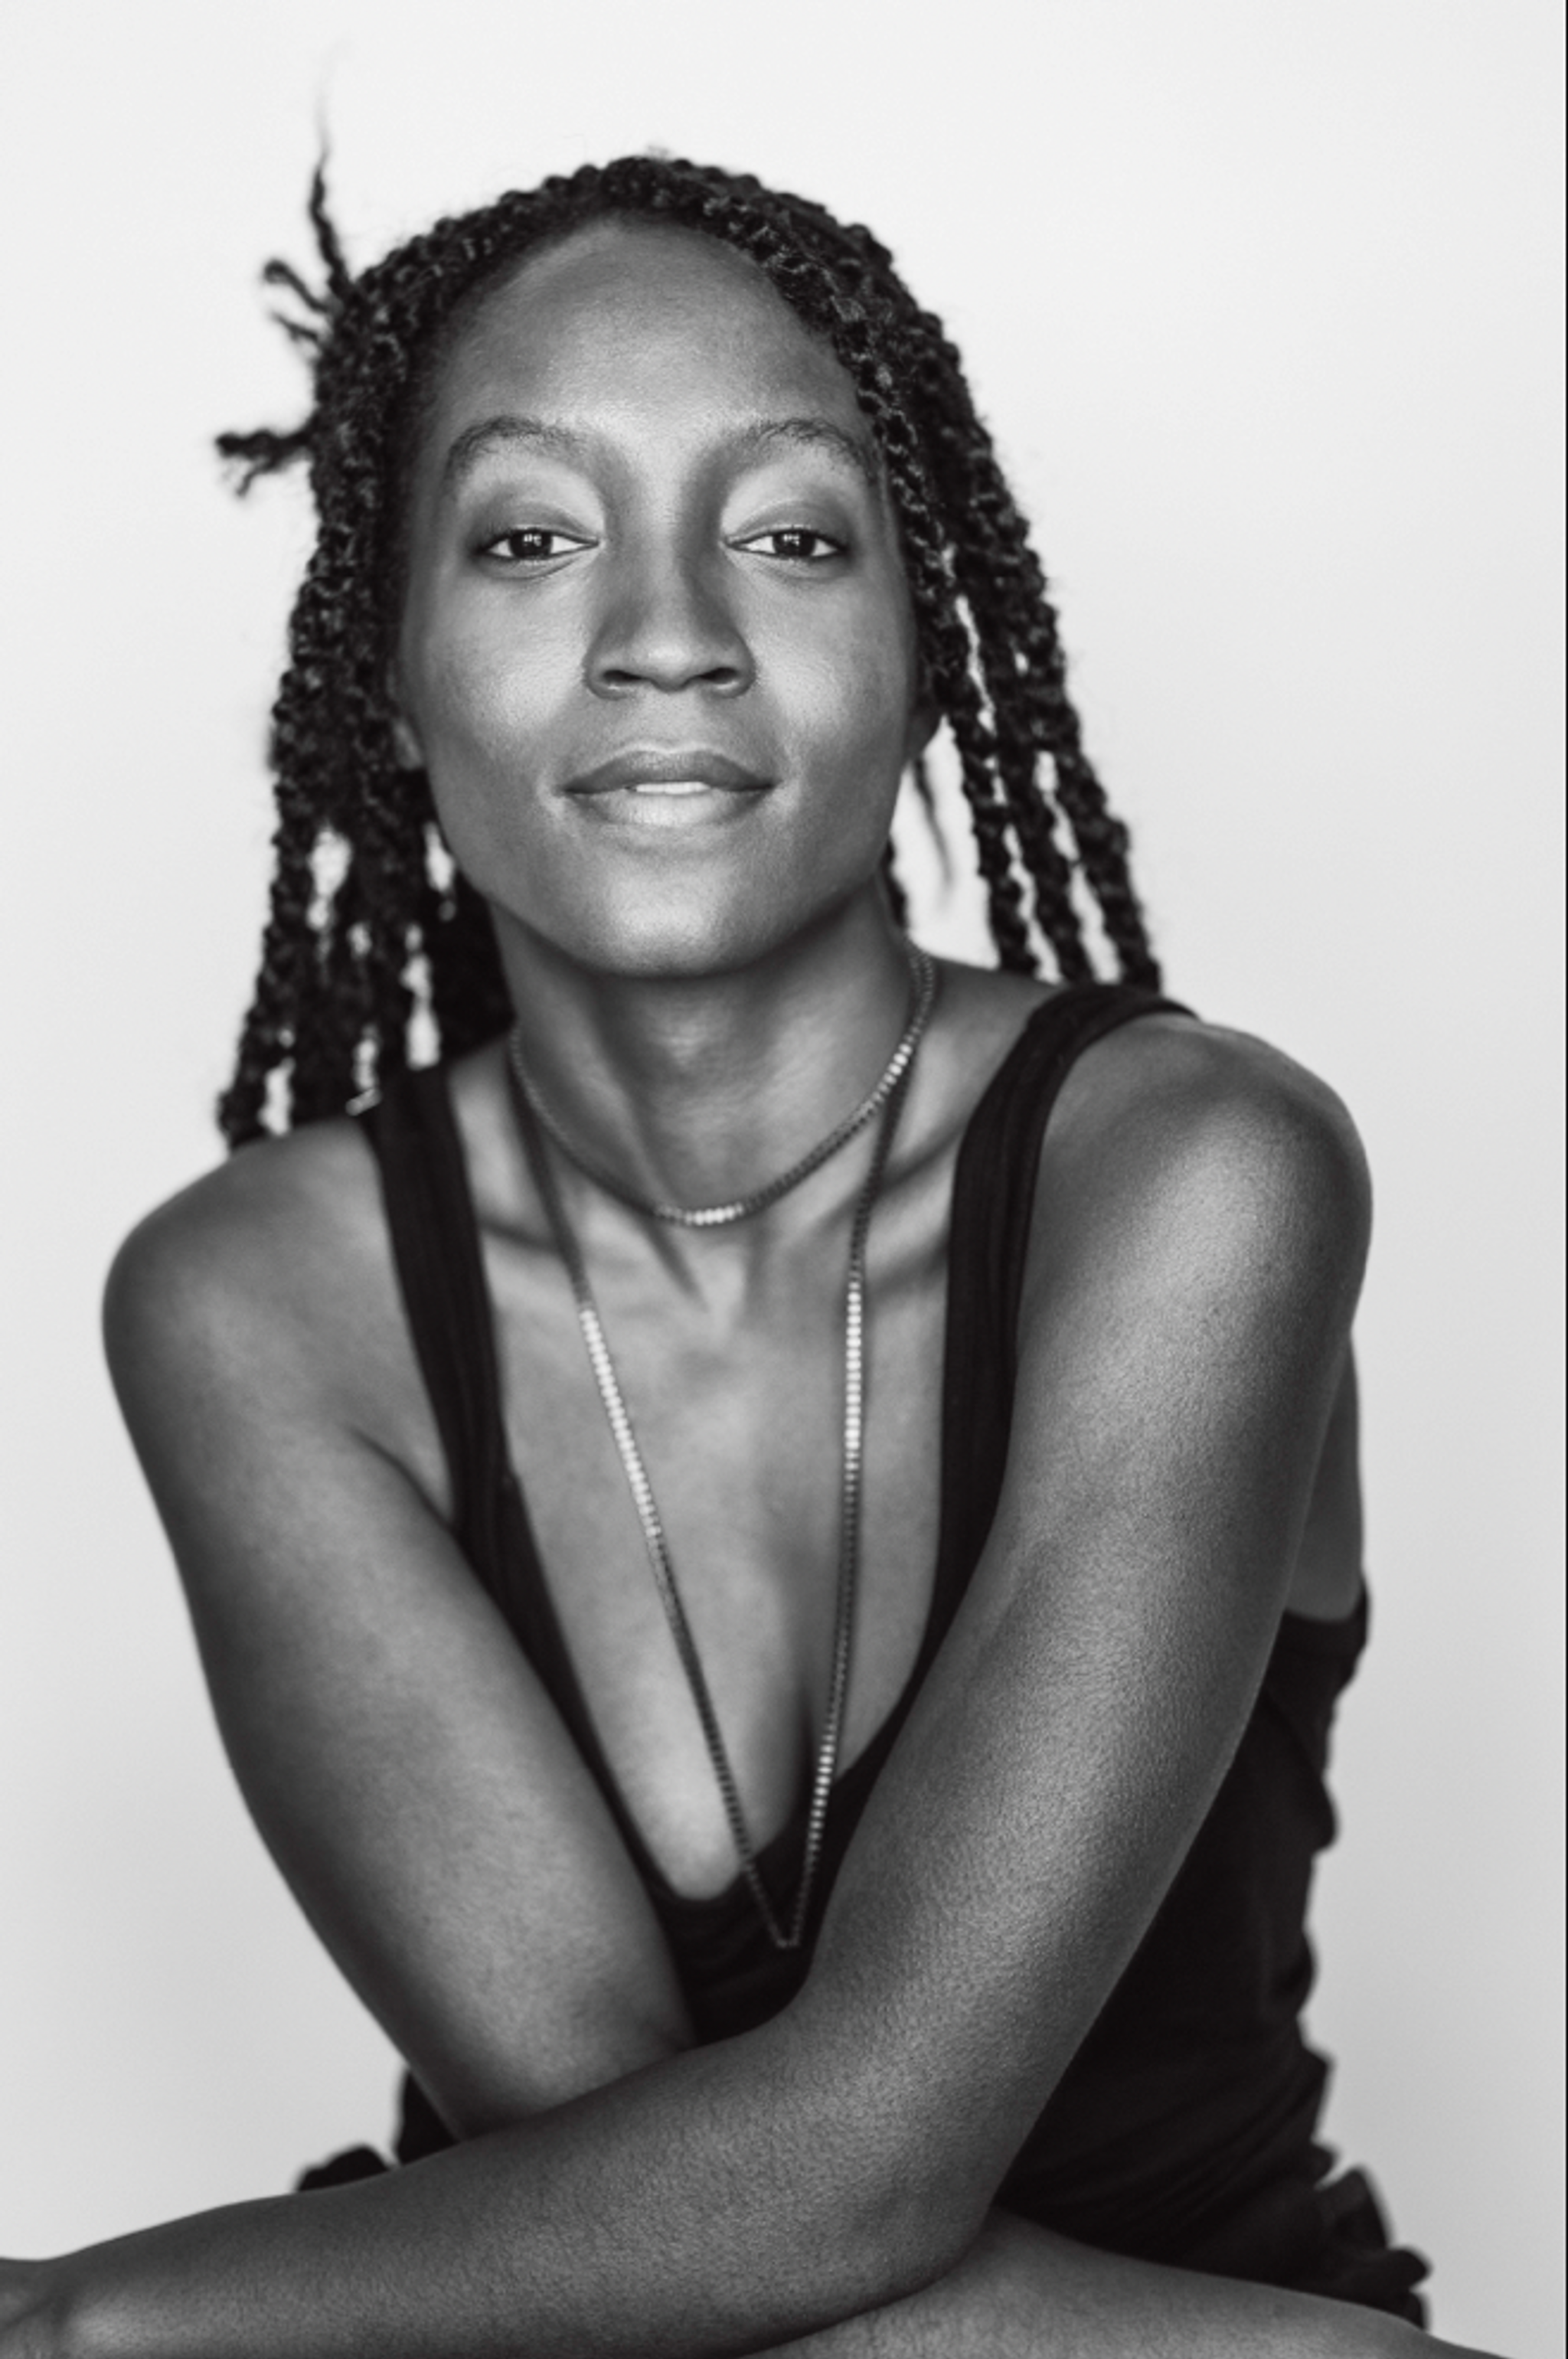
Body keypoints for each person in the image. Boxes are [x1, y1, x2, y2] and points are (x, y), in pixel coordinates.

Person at [0, 155, 1503, 2357]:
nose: (669, 629)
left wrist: (81, 2323)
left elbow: (832, 2180)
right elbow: (669, 2233)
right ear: (391, 683)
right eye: (529, 538)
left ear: (924, 670)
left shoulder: (1192, 1180)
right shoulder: (262, 1305)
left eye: (792, 534)